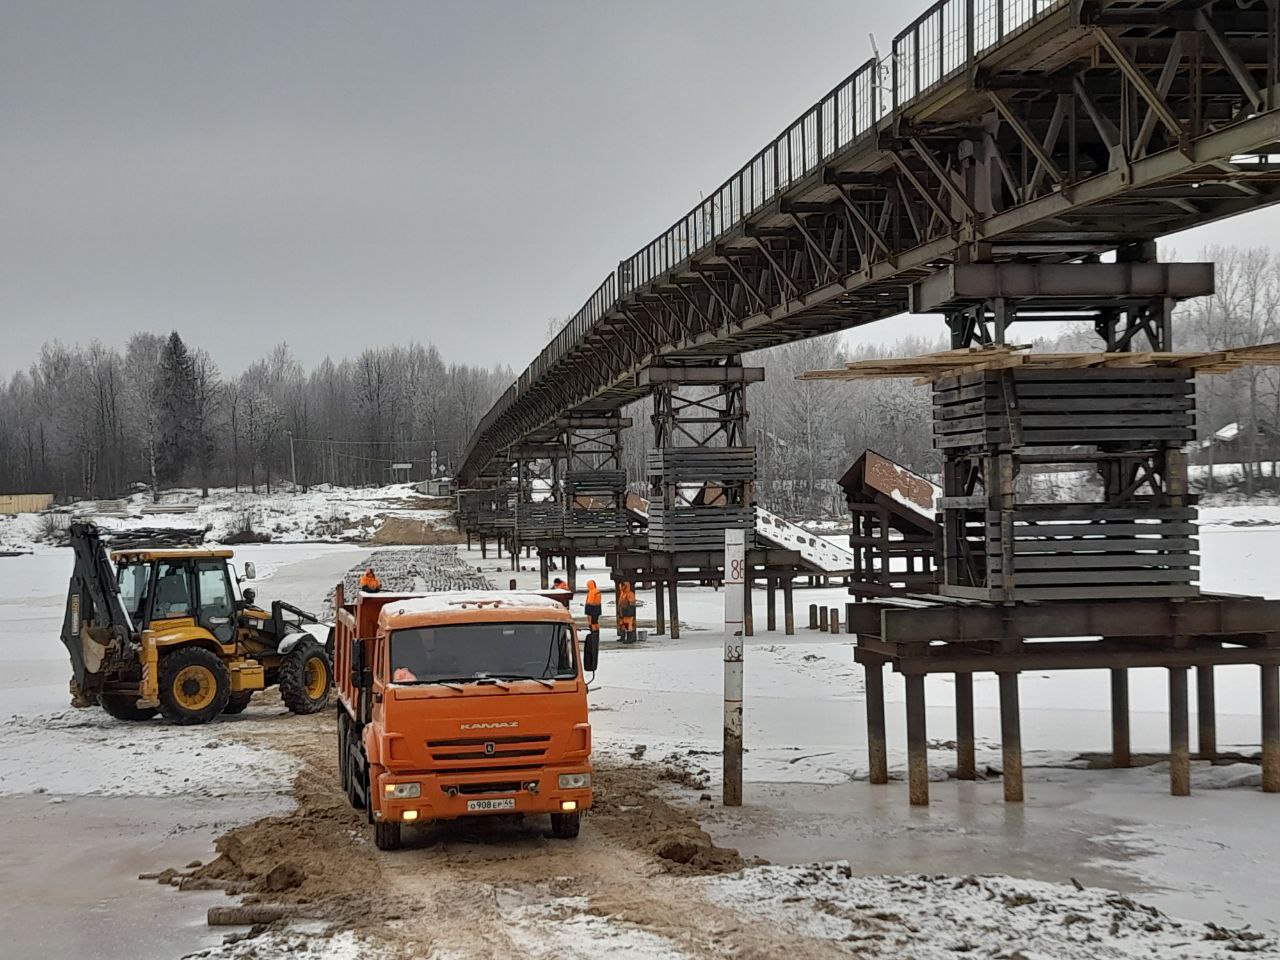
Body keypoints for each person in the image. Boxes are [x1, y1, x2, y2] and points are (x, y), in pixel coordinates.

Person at [616, 579, 637, 644]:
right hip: (623, 612)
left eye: (622, 586)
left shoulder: (630, 594)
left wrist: (626, 606)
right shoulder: (622, 593)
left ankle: (630, 639)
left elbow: (632, 604)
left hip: (628, 612)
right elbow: (620, 603)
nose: (620, 587)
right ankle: (623, 637)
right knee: (622, 625)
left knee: (628, 625)